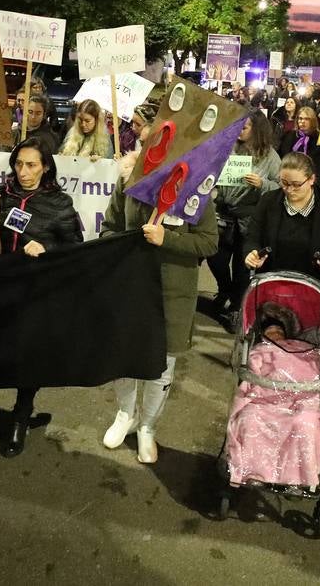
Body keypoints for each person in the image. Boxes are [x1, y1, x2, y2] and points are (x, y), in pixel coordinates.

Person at [0, 134, 84, 457]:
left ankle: (21, 416)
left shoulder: (60, 204)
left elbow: (75, 247)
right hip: (3, 284)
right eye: (19, 164)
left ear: (45, 167)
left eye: (31, 165)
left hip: (36, 291)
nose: (23, 171)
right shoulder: (2, 196)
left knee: (29, 356)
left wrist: (47, 247)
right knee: (2, 350)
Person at [100, 169, 218, 464]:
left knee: (162, 363)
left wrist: (168, 238)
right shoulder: (129, 180)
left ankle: (148, 426)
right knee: (124, 356)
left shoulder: (196, 189)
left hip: (174, 294)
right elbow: (108, 226)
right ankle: (126, 413)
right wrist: (122, 245)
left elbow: (208, 242)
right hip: (130, 285)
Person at [243, 152, 320, 307]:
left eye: (296, 185)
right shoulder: (268, 201)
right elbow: (252, 236)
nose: (289, 190)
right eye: (284, 183)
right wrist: (251, 253)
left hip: (317, 290)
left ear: (311, 179)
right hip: (272, 288)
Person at [209, 112, 281, 332]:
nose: (240, 130)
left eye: (246, 126)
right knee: (215, 258)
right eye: (238, 125)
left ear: (256, 129)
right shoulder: (227, 148)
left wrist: (263, 184)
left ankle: (236, 309)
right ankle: (225, 289)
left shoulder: (269, 156)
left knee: (242, 268)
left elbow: (280, 186)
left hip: (249, 221)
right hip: (222, 215)